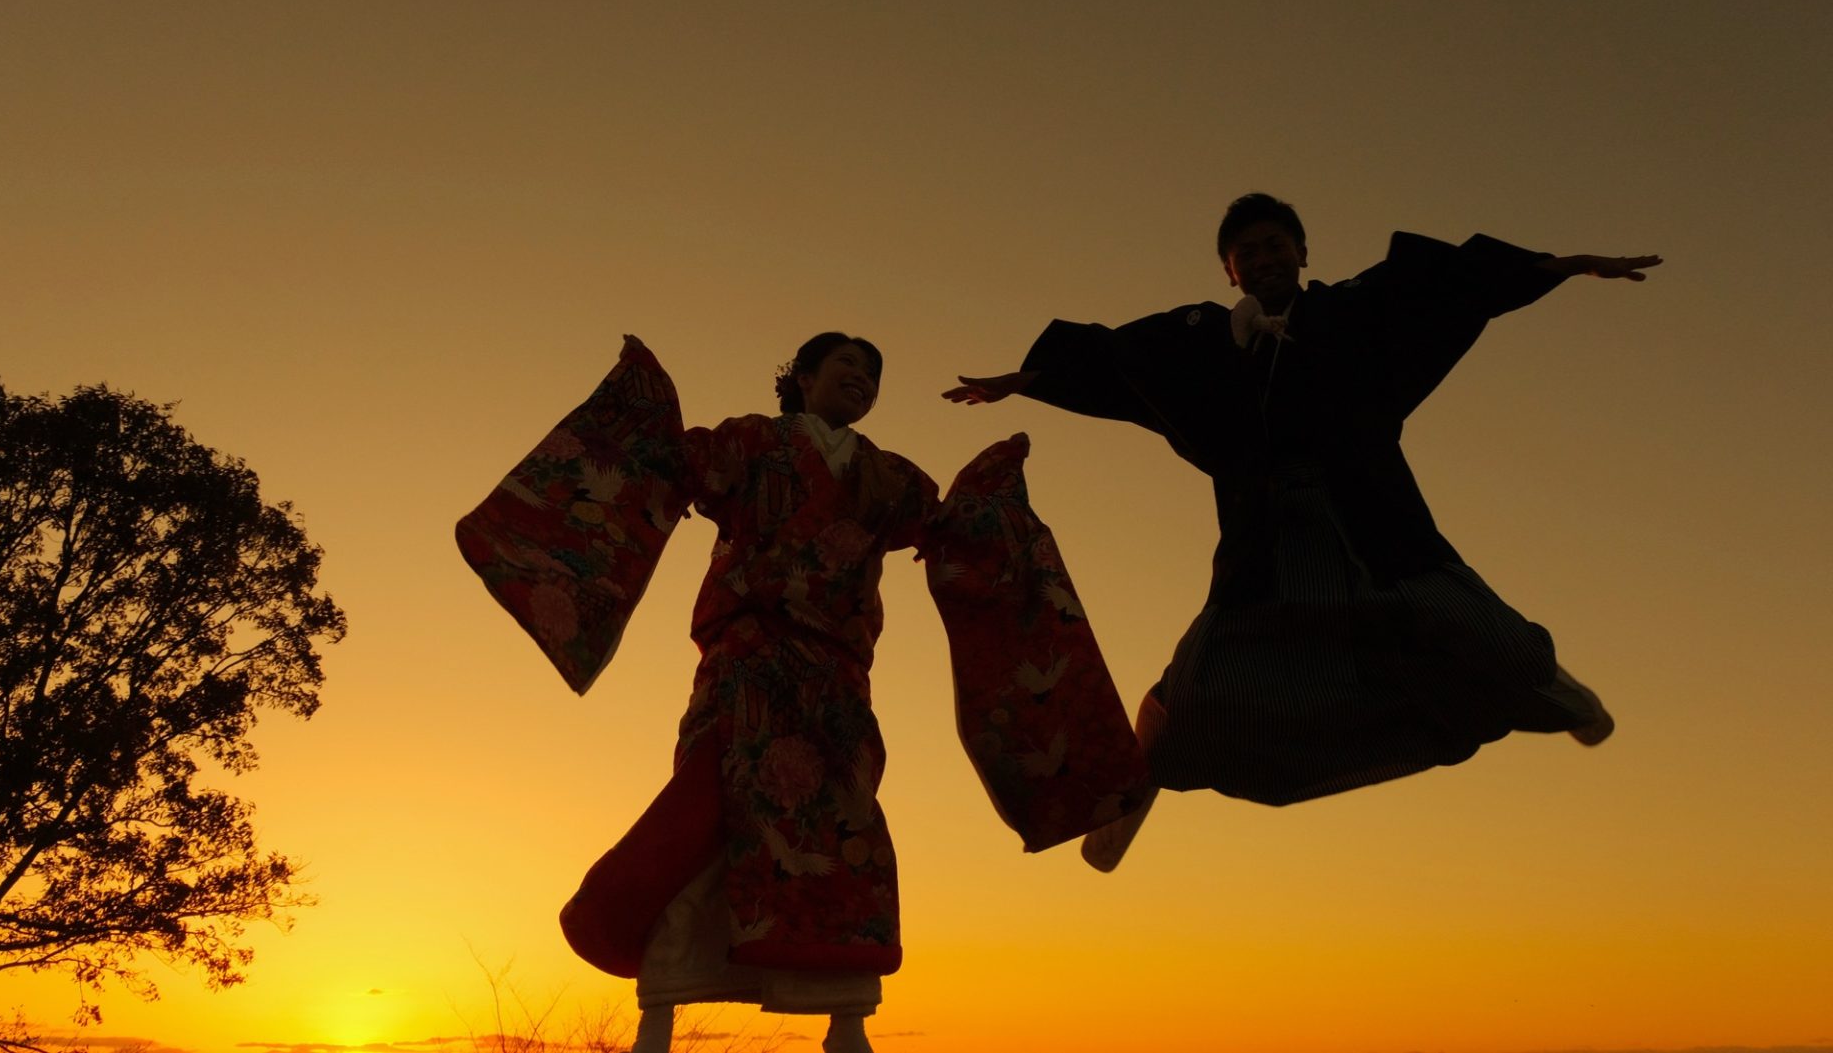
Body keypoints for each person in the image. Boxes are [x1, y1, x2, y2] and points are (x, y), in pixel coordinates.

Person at [458, 333, 1145, 1052]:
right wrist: (642, 410)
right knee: (707, 826)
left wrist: (993, 493)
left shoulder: (886, 476)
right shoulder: (753, 443)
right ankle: (656, 1017)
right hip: (748, 665)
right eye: (847, 364)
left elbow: (950, 531)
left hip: (838, 680)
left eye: (873, 373)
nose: (863, 378)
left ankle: (847, 1024)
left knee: (849, 839)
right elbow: (671, 461)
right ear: (804, 377)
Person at [945, 193, 1660, 870]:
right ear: (1229, 270)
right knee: (1199, 696)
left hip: (1374, 522)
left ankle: (1567, 696)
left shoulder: (1354, 311)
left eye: (1276, 244)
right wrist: (1023, 379)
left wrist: (1561, 268)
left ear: (1303, 252)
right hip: (1267, 542)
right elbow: (1117, 361)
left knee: (1486, 635)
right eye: (1247, 250)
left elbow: (1447, 283)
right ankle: (1132, 797)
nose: (1263, 257)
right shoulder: (1204, 340)